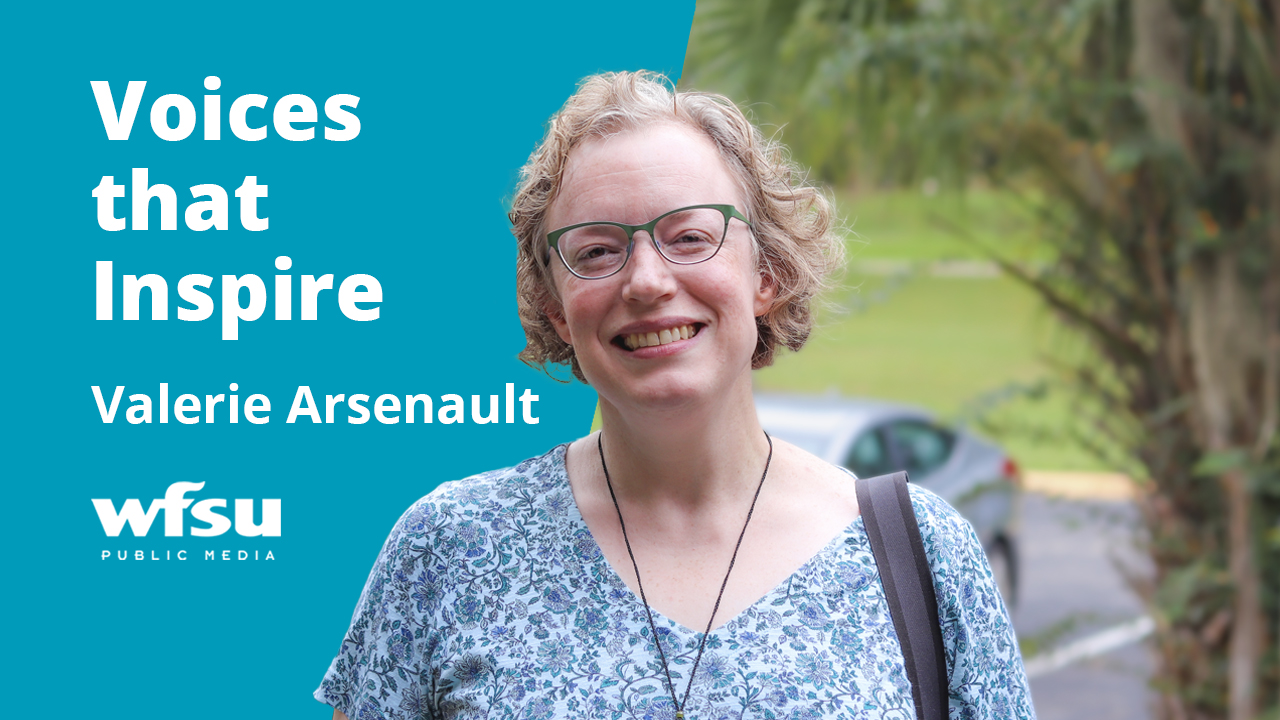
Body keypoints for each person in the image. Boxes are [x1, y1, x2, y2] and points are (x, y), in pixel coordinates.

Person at [315, 71, 1034, 720]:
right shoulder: (448, 551)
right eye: (597, 250)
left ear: (767, 273)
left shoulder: (919, 556)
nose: (648, 281)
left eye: (690, 236)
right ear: (557, 306)